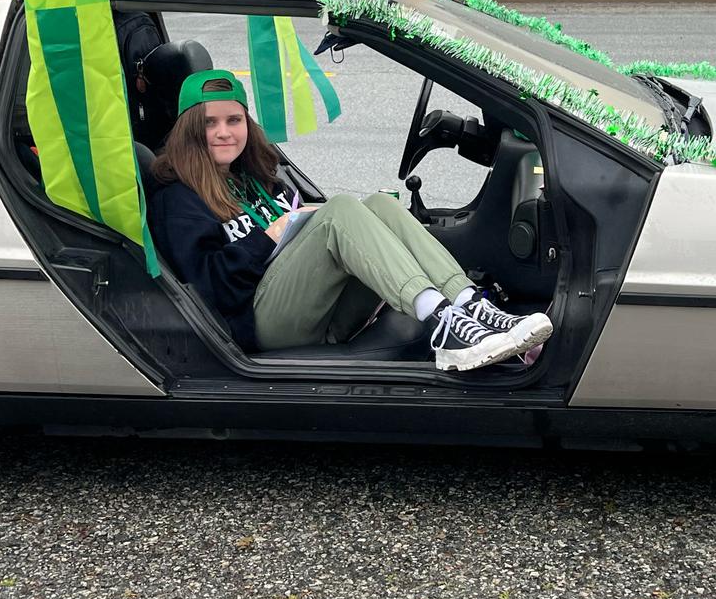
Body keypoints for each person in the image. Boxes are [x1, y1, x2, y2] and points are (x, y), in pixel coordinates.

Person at [147, 70, 553, 372]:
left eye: (233, 121)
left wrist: (292, 225)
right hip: (257, 322)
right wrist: (269, 236)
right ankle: (443, 326)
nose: (224, 133)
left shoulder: (250, 177)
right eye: (209, 123)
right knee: (339, 209)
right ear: (189, 131)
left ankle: (470, 307)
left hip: (315, 308)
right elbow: (208, 288)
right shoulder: (177, 197)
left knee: (379, 203)